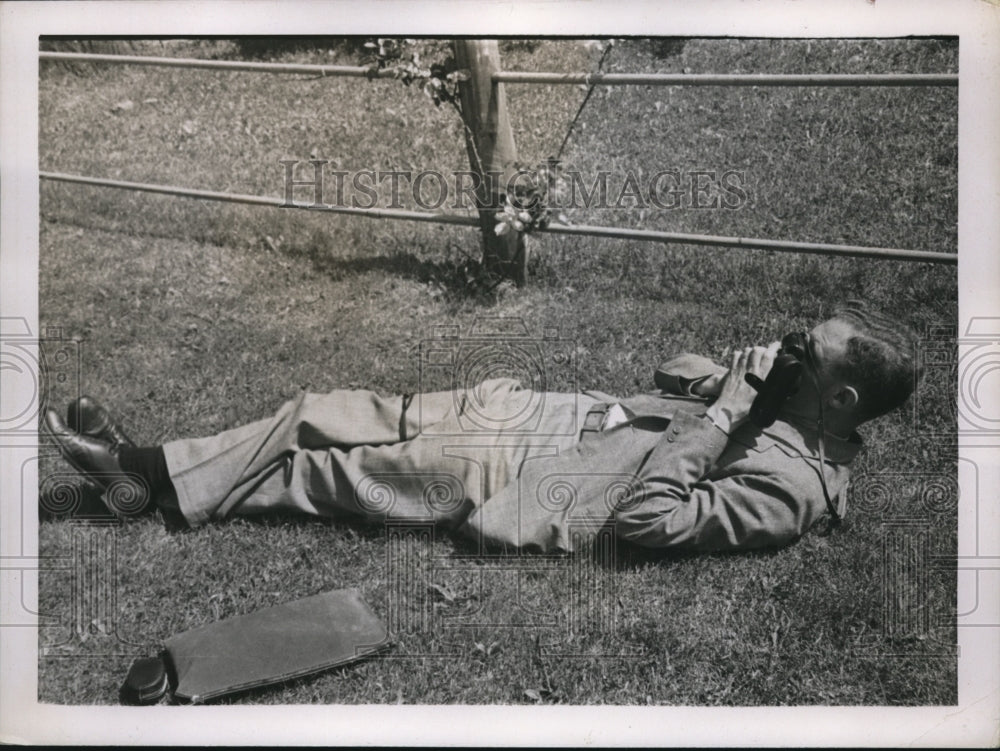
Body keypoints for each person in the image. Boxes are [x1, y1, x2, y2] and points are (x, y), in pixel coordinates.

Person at [43, 302, 921, 554]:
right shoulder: (785, 400)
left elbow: (648, 519)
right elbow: (670, 379)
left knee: (322, 472)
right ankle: (146, 478)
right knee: (324, 410)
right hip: (553, 410)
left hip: (543, 472)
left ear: (840, 403)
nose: (795, 351)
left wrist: (731, 412)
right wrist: (732, 371)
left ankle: (142, 472)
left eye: (812, 353)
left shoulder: (790, 490)